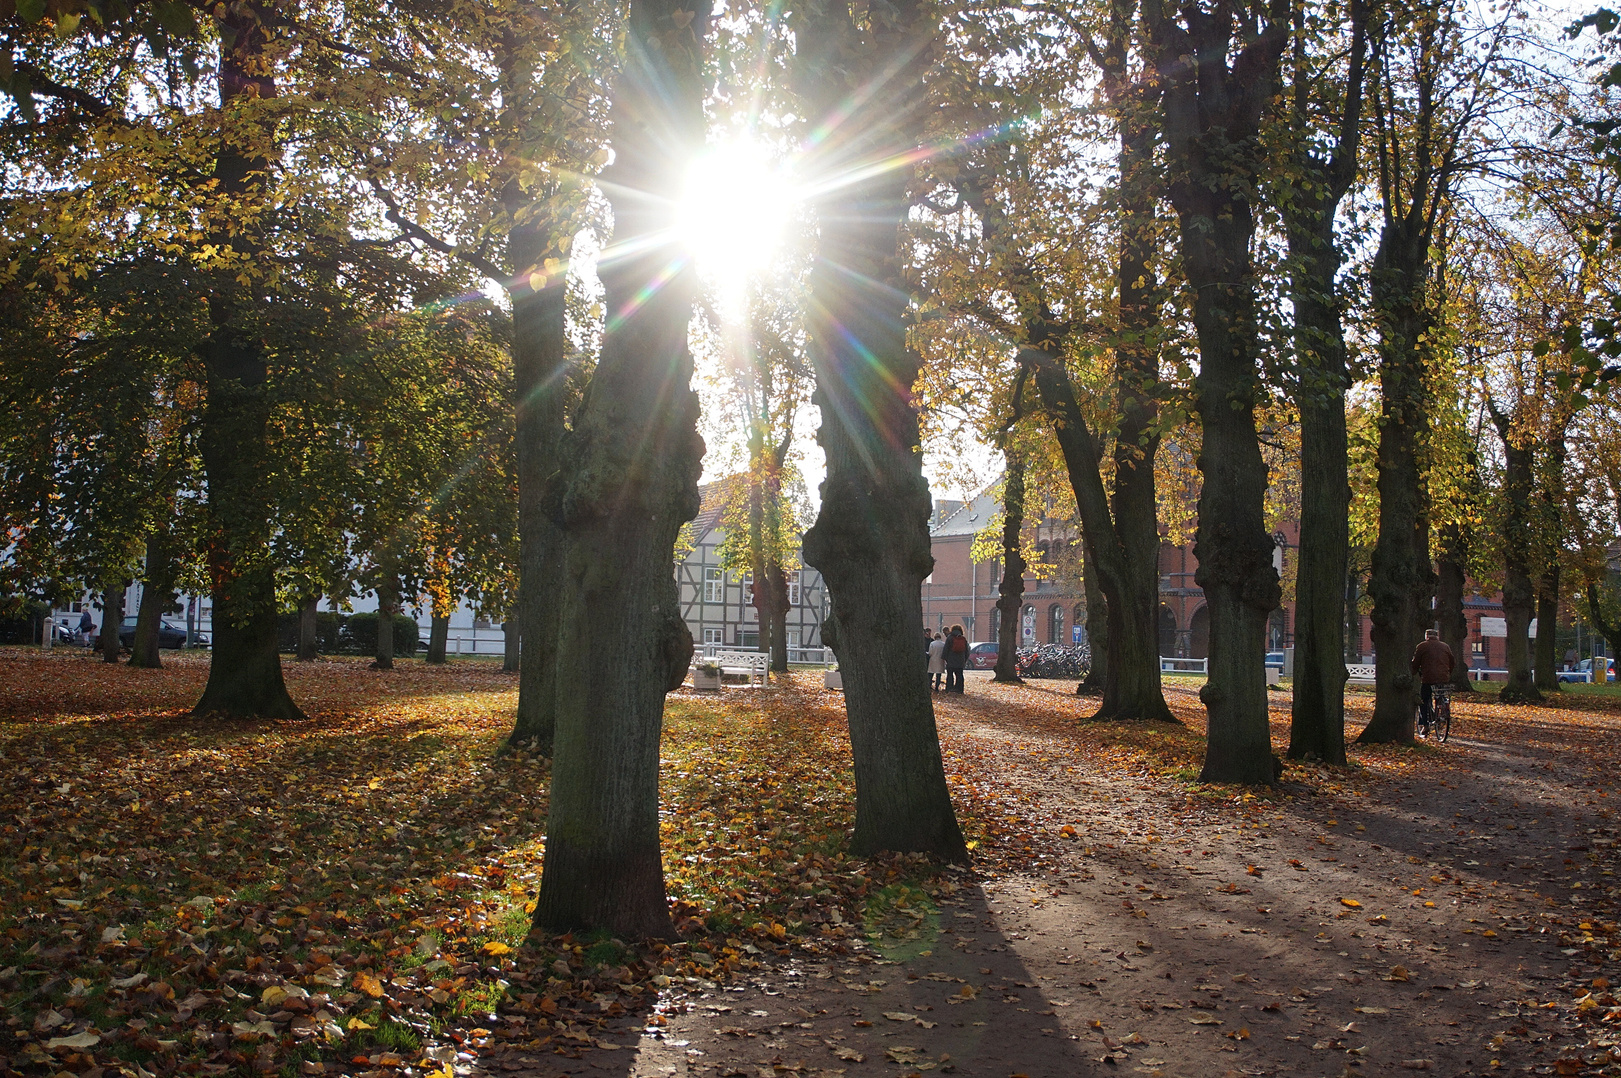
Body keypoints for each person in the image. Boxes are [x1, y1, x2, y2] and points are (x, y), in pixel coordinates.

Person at [1411, 628, 1455, 731]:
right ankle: (1442, 710)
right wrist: (1448, 673)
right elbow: (1452, 662)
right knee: (1440, 694)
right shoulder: (1445, 646)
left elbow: (1416, 662)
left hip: (1428, 678)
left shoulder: (1422, 646)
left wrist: (1414, 672)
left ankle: (1425, 725)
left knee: (1424, 700)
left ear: (1426, 636)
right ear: (1437, 636)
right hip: (1443, 678)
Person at [944, 624, 969, 693]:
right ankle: (959, 689)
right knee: (959, 675)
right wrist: (965, 659)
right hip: (960, 660)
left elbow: (946, 649)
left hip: (951, 659)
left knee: (950, 675)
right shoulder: (963, 638)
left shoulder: (950, 637)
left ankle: (949, 688)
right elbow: (967, 650)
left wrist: (945, 658)